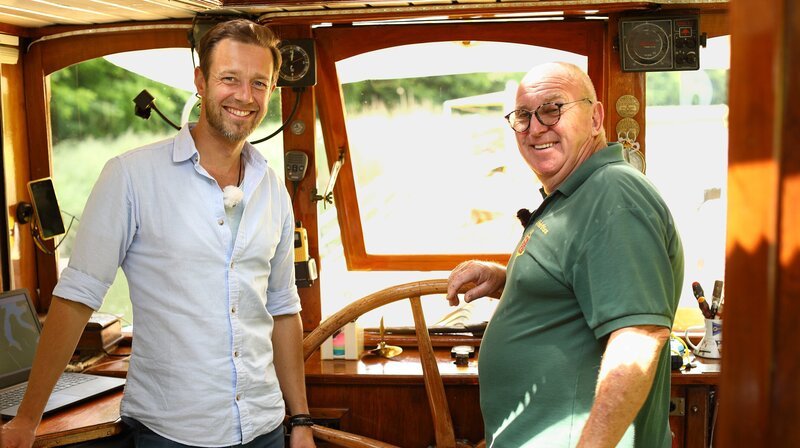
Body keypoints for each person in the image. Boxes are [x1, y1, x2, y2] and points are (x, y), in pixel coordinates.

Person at [1, 19, 315, 448]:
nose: (245, 96)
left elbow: (282, 309)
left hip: (266, 429)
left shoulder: (273, 188)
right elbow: (76, 298)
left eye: (258, 83)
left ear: (272, 90)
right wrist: (27, 419)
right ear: (201, 81)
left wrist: (301, 420)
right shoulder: (130, 177)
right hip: (170, 434)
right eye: (229, 79)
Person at [446, 62, 683, 448]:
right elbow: (579, 285)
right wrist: (507, 280)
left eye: (552, 109)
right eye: (523, 116)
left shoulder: (614, 195)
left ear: (596, 118)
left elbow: (639, 337)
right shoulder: (576, 194)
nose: (535, 128)